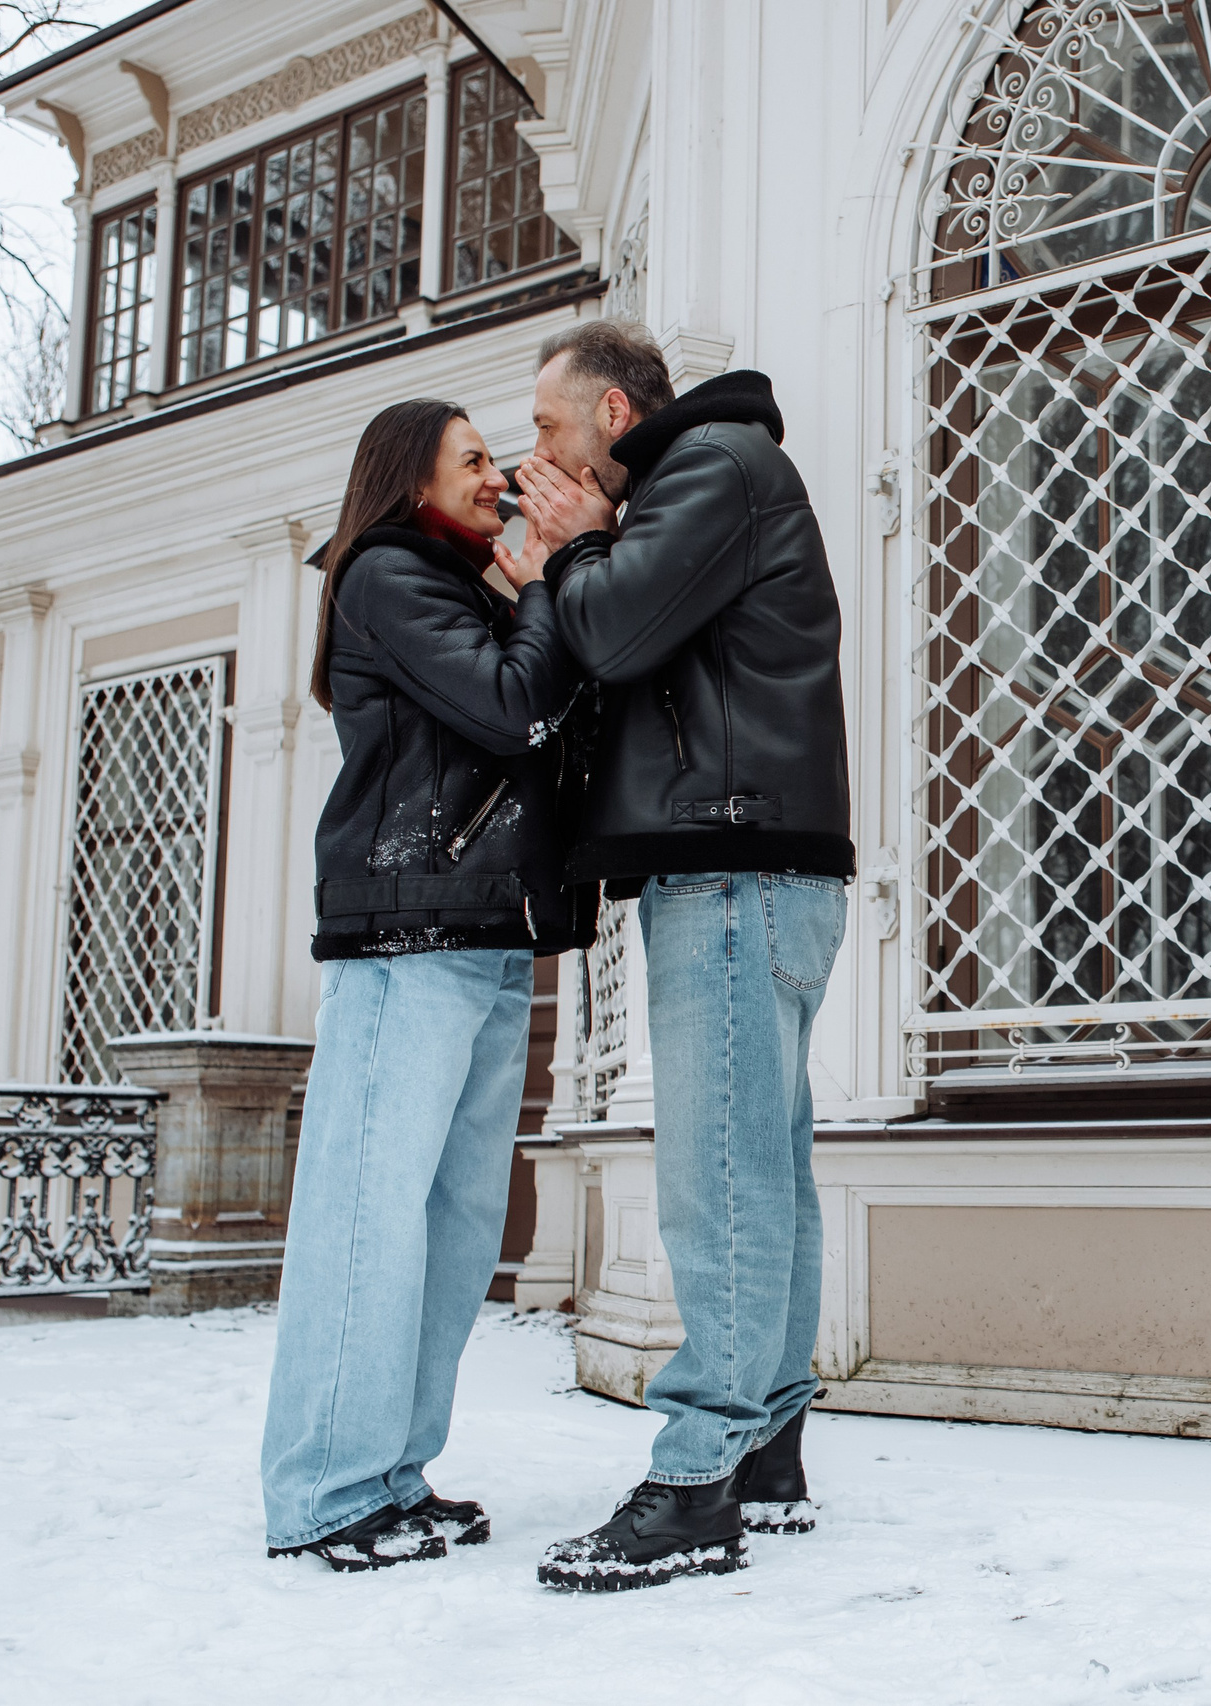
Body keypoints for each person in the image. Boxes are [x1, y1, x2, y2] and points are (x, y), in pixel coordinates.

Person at [500, 321, 852, 1592]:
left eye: (544, 427)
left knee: (720, 1172)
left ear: (605, 411)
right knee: (767, 1166)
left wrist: (567, 548)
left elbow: (606, 633)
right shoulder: (709, 475)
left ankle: (697, 1470)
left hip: (733, 863)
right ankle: (764, 1448)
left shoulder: (709, 465)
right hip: (760, 863)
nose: (529, 453)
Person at [260, 398, 594, 1571]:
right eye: (472, 457)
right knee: (368, 1219)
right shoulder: (387, 574)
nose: (498, 473)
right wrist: (546, 575)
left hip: (484, 935)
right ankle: (325, 1489)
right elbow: (513, 706)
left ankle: (391, 1469)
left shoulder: (458, 588)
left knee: (450, 1233)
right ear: (408, 479)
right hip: (407, 938)